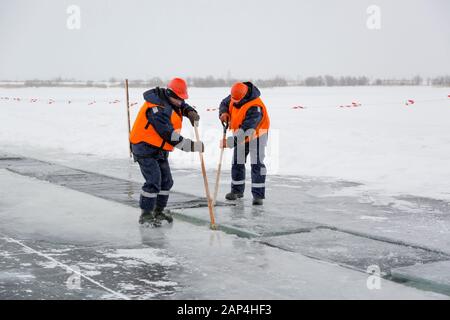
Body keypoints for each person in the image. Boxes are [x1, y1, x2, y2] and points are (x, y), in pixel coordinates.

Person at [130, 78, 204, 226]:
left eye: (183, 98)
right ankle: (146, 214)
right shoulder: (157, 109)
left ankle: (159, 211)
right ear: (170, 94)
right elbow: (169, 135)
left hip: (159, 148)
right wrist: (191, 146)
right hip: (144, 147)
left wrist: (190, 112)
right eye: (179, 98)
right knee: (153, 181)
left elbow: (181, 105)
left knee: (167, 181)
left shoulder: (172, 100)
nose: (181, 101)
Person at [219, 82, 270, 205]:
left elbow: (247, 130)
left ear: (245, 96)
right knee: (237, 161)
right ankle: (237, 191)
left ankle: (258, 195)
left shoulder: (255, 107)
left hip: (257, 135)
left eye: (237, 100)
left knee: (257, 164)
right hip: (240, 132)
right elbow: (224, 103)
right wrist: (223, 113)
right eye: (233, 100)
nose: (235, 102)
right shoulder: (235, 95)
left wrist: (230, 142)